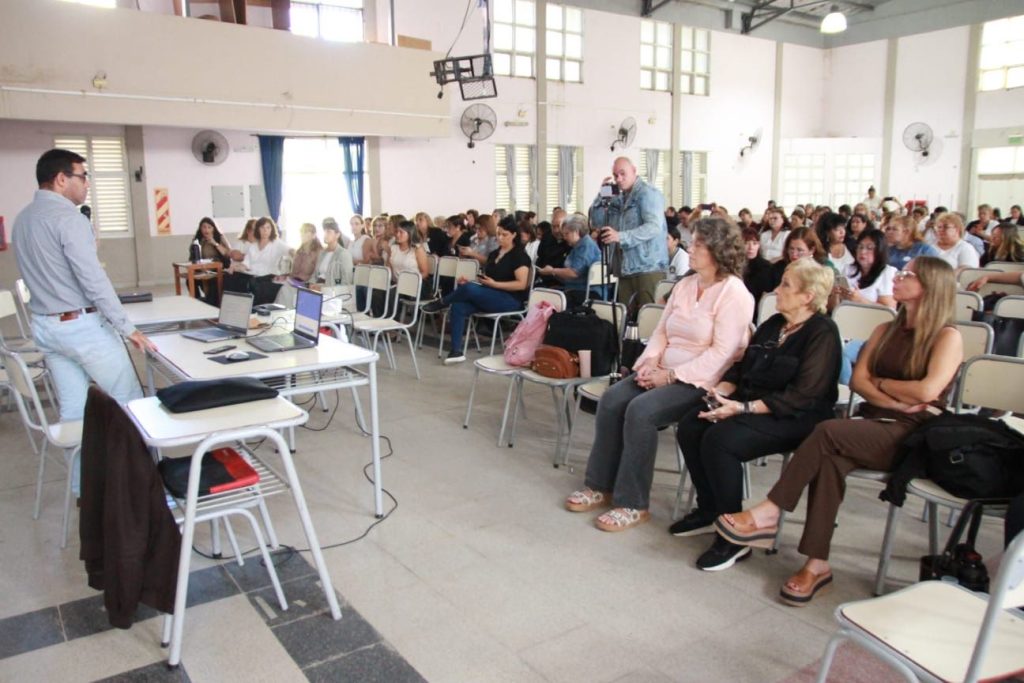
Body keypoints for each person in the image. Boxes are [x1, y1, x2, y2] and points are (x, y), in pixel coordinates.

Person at [716, 256, 962, 605]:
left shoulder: (947, 336)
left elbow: (926, 393)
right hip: (875, 419)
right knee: (830, 459)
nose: (898, 277)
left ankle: (771, 510)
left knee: (828, 431)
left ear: (930, 287)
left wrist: (882, 386)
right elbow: (860, 380)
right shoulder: (886, 329)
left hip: (914, 431)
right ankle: (817, 565)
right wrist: (890, 395)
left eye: (908, 275)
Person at [563, 217, 753, 532]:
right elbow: (662, 332)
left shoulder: (734, 294)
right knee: (611, 400)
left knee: (641, 411)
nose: (689, 248)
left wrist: (670, 376)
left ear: (718, 251)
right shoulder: (686, 284)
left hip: (701, 381)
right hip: (663, 369)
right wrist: (650, 362)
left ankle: (633, 503)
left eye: (698, 245)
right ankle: (599, 484)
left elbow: (721, 355)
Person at [673, 259, 842, 571]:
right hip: (751, 405)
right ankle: (710, 510)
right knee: (691, 424)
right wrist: (721, 394)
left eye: (786, 285)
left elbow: (802, 396)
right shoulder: (773, 324)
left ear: (807, 296)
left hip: (795, 417)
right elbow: (742, 367)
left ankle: (734, 535)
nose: (776, 289)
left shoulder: (822, 333)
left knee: (721, 441)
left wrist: (741, 408)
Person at [11, 149, 157, 496]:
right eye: (82, 176)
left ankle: (83, 492)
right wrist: (126, 327)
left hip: (46, 327)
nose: (87, 184)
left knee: (76, 414)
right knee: (131, 404)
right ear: (61, 179)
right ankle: (145, 489)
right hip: (82, 328)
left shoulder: (23, 218)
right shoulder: (69, 219)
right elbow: (92, 280)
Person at [422, 222, 531, 365]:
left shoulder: (519, 256)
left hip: (511, 299)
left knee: (468, 288)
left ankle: (441, 302)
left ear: (514, 235)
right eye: (498, 234)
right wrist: (476, 281)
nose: (500, 237)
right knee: (459, 305)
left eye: (504, 235)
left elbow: (521, 284)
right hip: (491, 294)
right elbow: (488, 278)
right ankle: (456, 351)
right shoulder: (494, 254)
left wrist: (494, 284)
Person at [589, 157, 669, 306]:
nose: (619, 179)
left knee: (648, 318)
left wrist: (620, 236)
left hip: (648, 267)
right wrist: (601, 196)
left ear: (634, 171)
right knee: (625, 317)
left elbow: (654, 227)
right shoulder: (617, 198)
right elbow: (596, 221)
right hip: (625, 268)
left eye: (622, 173)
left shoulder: (648, 193)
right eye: (615, 175)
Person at [537, 212, 602, 306]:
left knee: (544, 299)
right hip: (576, 288)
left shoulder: (585, 246)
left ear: (576, 231)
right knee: (542, 293)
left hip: (586, 292)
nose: (564, 237)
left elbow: (574, 273)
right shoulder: (579, 246)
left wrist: (552, 271)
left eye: (567, 234)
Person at [224, 216, 291, 305]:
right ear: (258, 230)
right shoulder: (253, 245)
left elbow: (291, 251)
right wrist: (234, 268)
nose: (265, 230)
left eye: (268, 227)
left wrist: (288, 274)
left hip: (267, 277)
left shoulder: (276, 243)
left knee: (252, 283)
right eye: (262, 228)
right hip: (253, 275)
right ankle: (233, 309)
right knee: (229, 277)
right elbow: (246, 264)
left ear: (272, 229)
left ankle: (251, 311)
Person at [838, 228, 897, 309]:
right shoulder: (848, 269)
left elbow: (889, 310)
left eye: (869, 248)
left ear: (880, 250)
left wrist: (860, 300)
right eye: (860, 247)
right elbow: (836, 306)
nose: (863, 252)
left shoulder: (888, 272)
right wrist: (836, 295)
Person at [387, 219, 431, 297]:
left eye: (401, 232)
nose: (397, 234)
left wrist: (407, 281)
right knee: (378, 292)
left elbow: (425, 272)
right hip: (397, 283)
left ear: (410, 234)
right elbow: (389, 267)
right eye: (396, 231)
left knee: (392, 294)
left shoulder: (418, 249)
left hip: (414, 283)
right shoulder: (393, 248)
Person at [741, 228, 774, 320]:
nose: (751, 247)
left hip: (757, 309)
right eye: (746, 243)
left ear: (759, 245)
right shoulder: (734, 265)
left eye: (754, 243)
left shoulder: (766, 267)